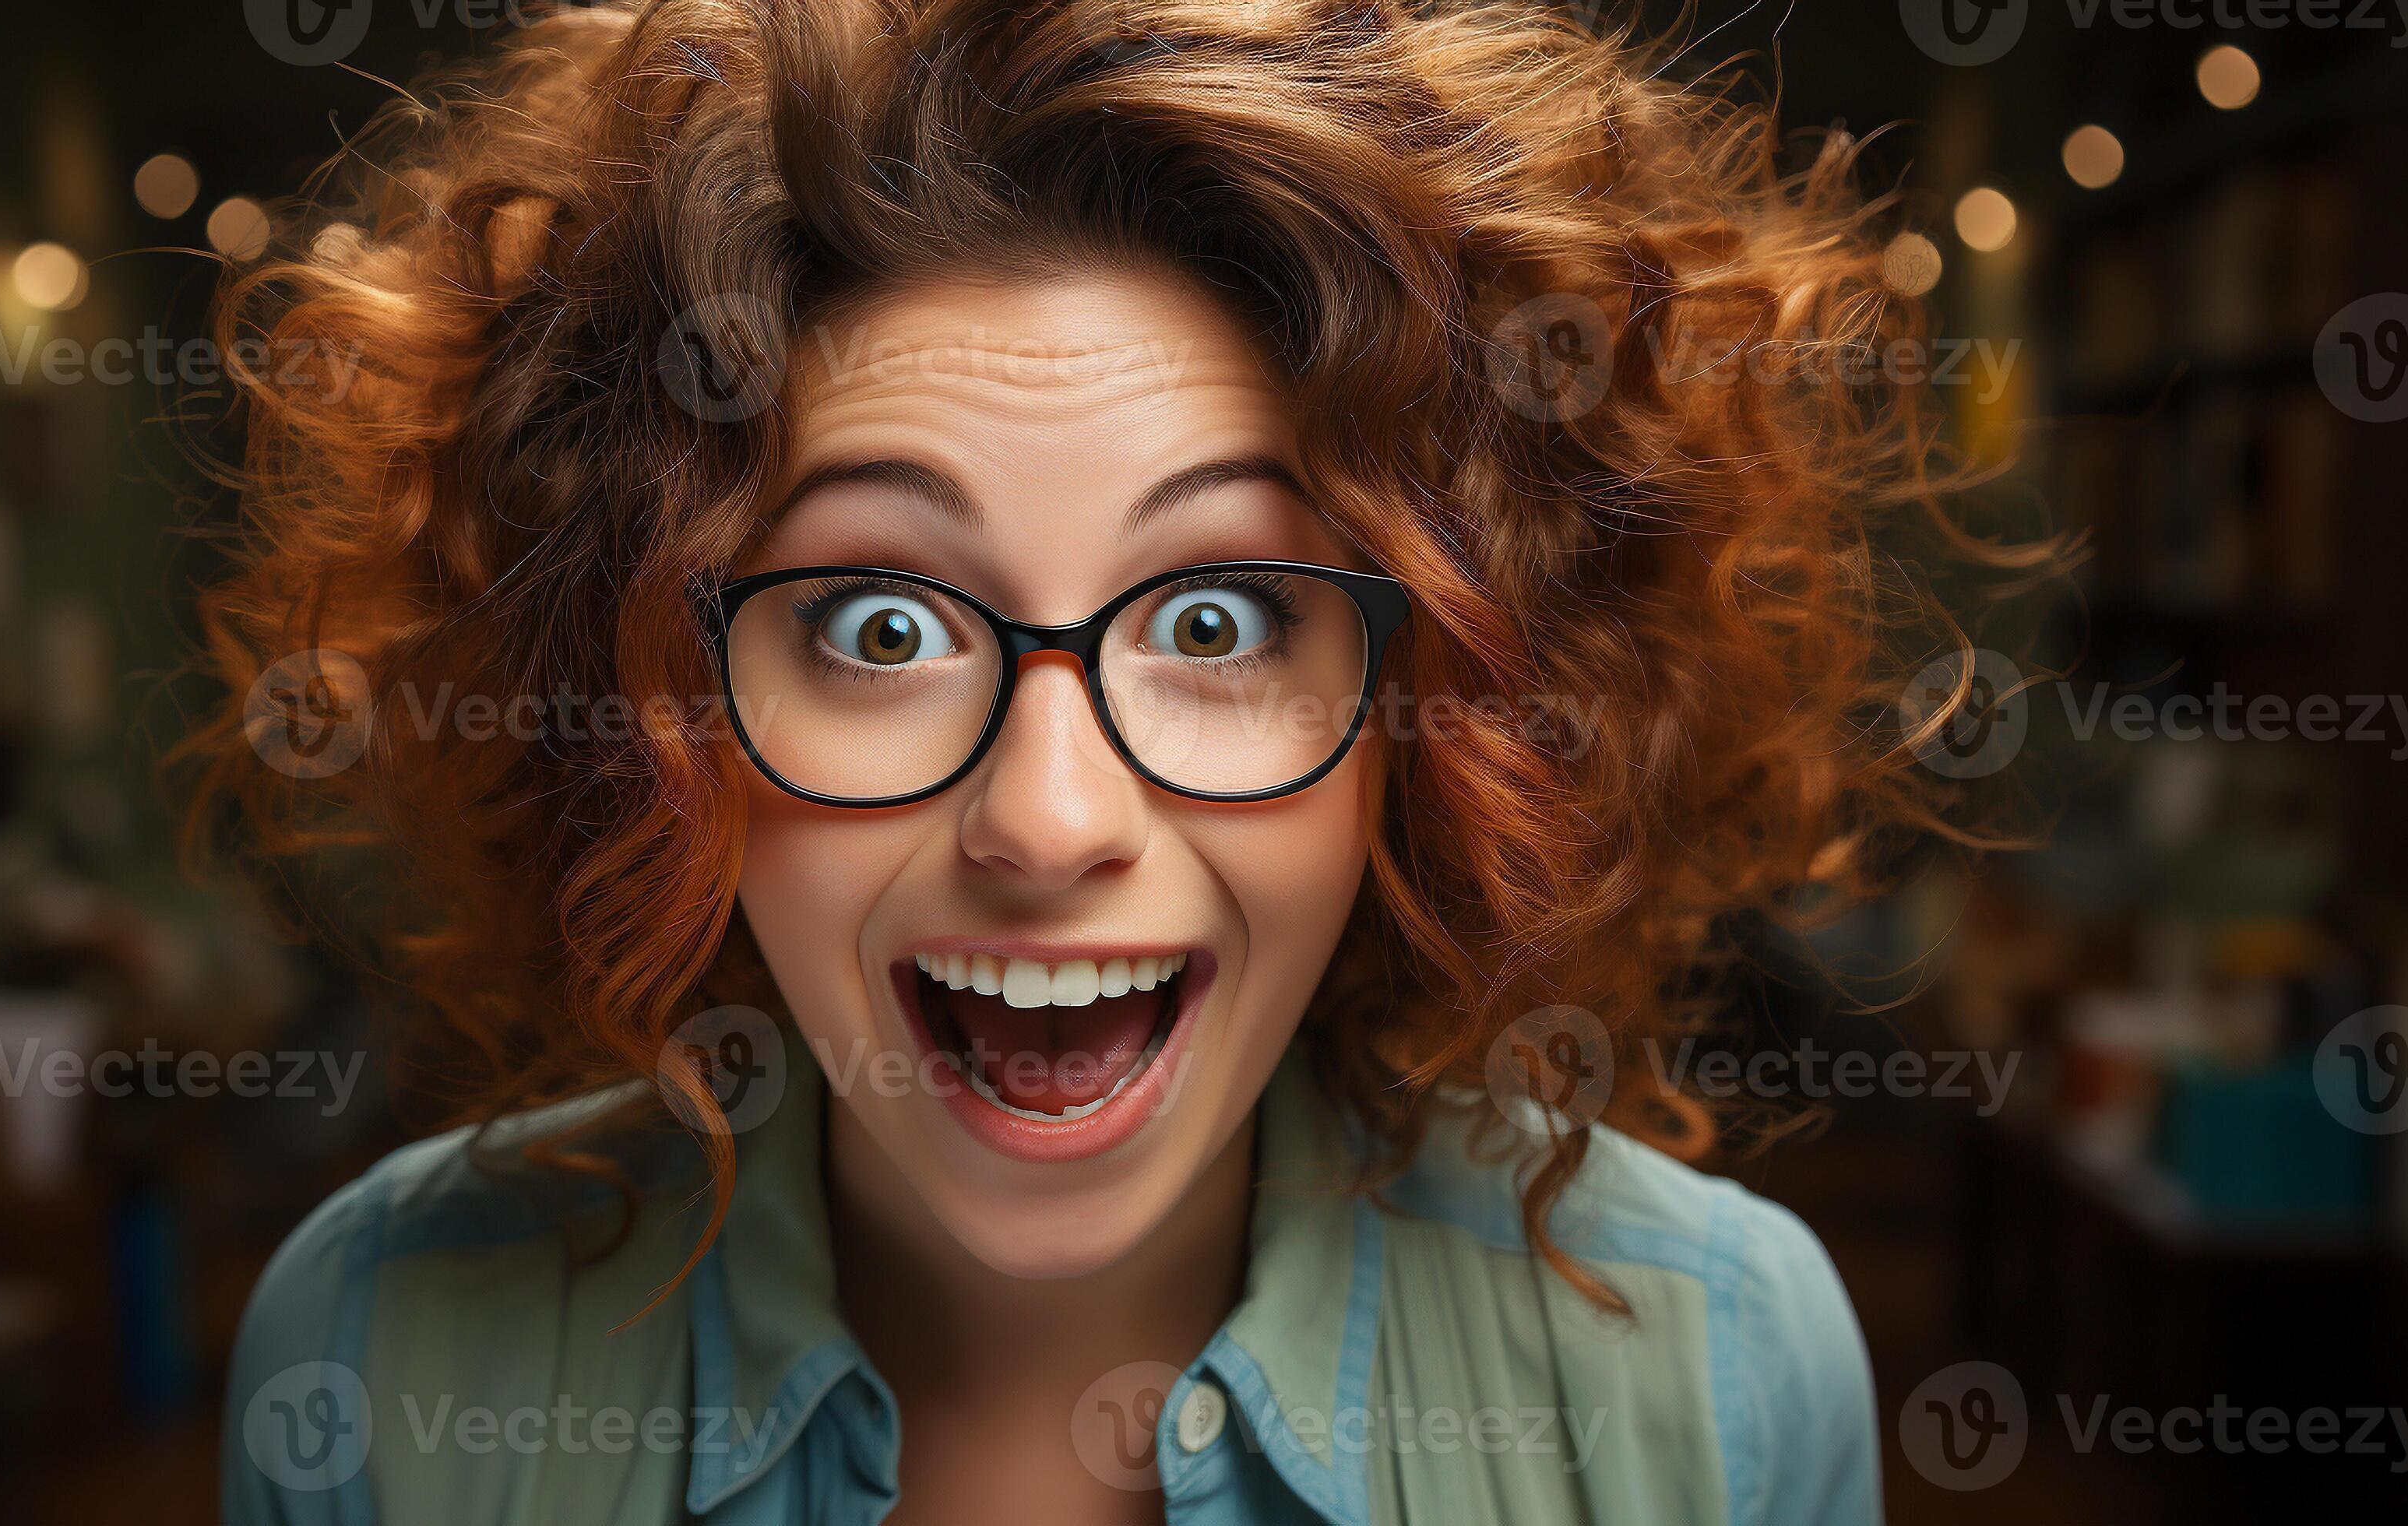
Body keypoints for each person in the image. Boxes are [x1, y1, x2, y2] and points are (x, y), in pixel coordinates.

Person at [199, 3, 1986, 1521]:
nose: (1051, 821)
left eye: (1216, 622)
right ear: (648, 702)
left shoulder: (1722, 1376)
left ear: (1440, 715)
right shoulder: (378, 1355)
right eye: (879, 626)